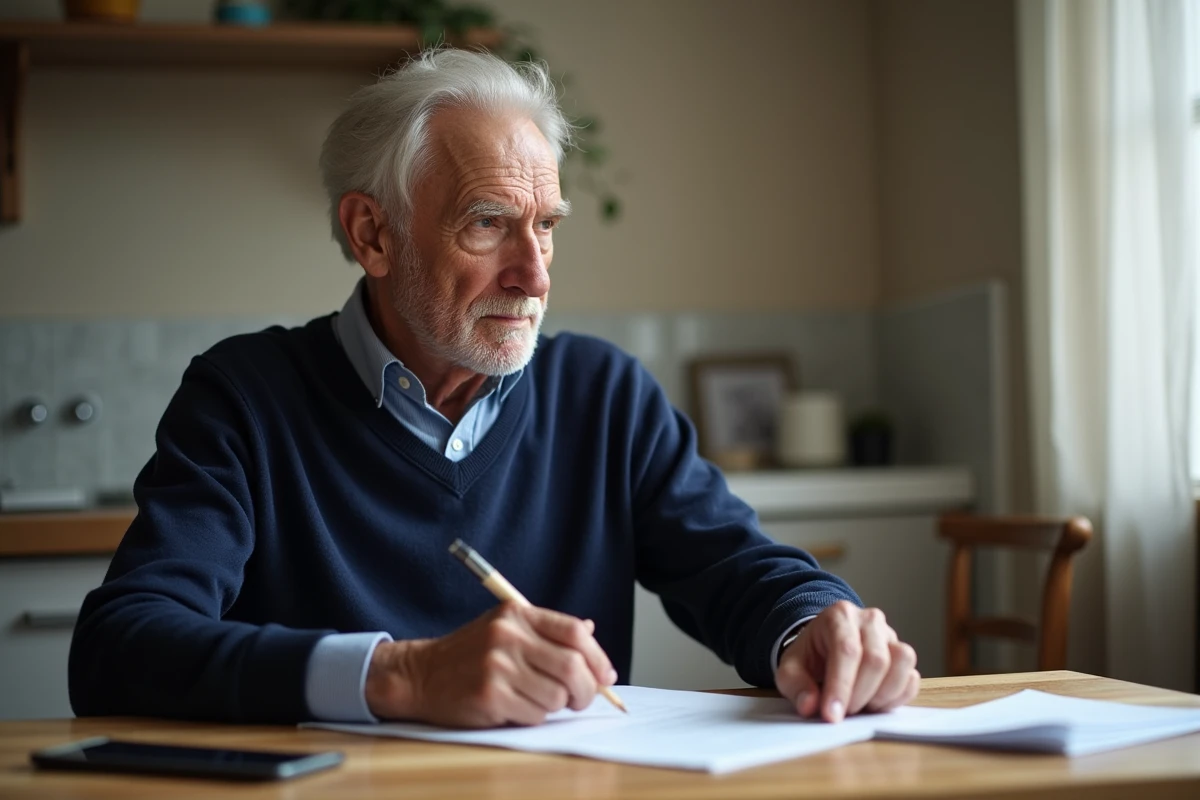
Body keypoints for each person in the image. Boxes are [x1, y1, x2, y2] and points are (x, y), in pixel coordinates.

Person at [69, 49, 919, 728]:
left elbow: (738, 568)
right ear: (372, 233)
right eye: (488, 223)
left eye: (546, 227)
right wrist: (399, 675)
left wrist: (815, 625)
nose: (533, 274)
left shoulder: (604, 393)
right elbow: (120, 648)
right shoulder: (244, 397)